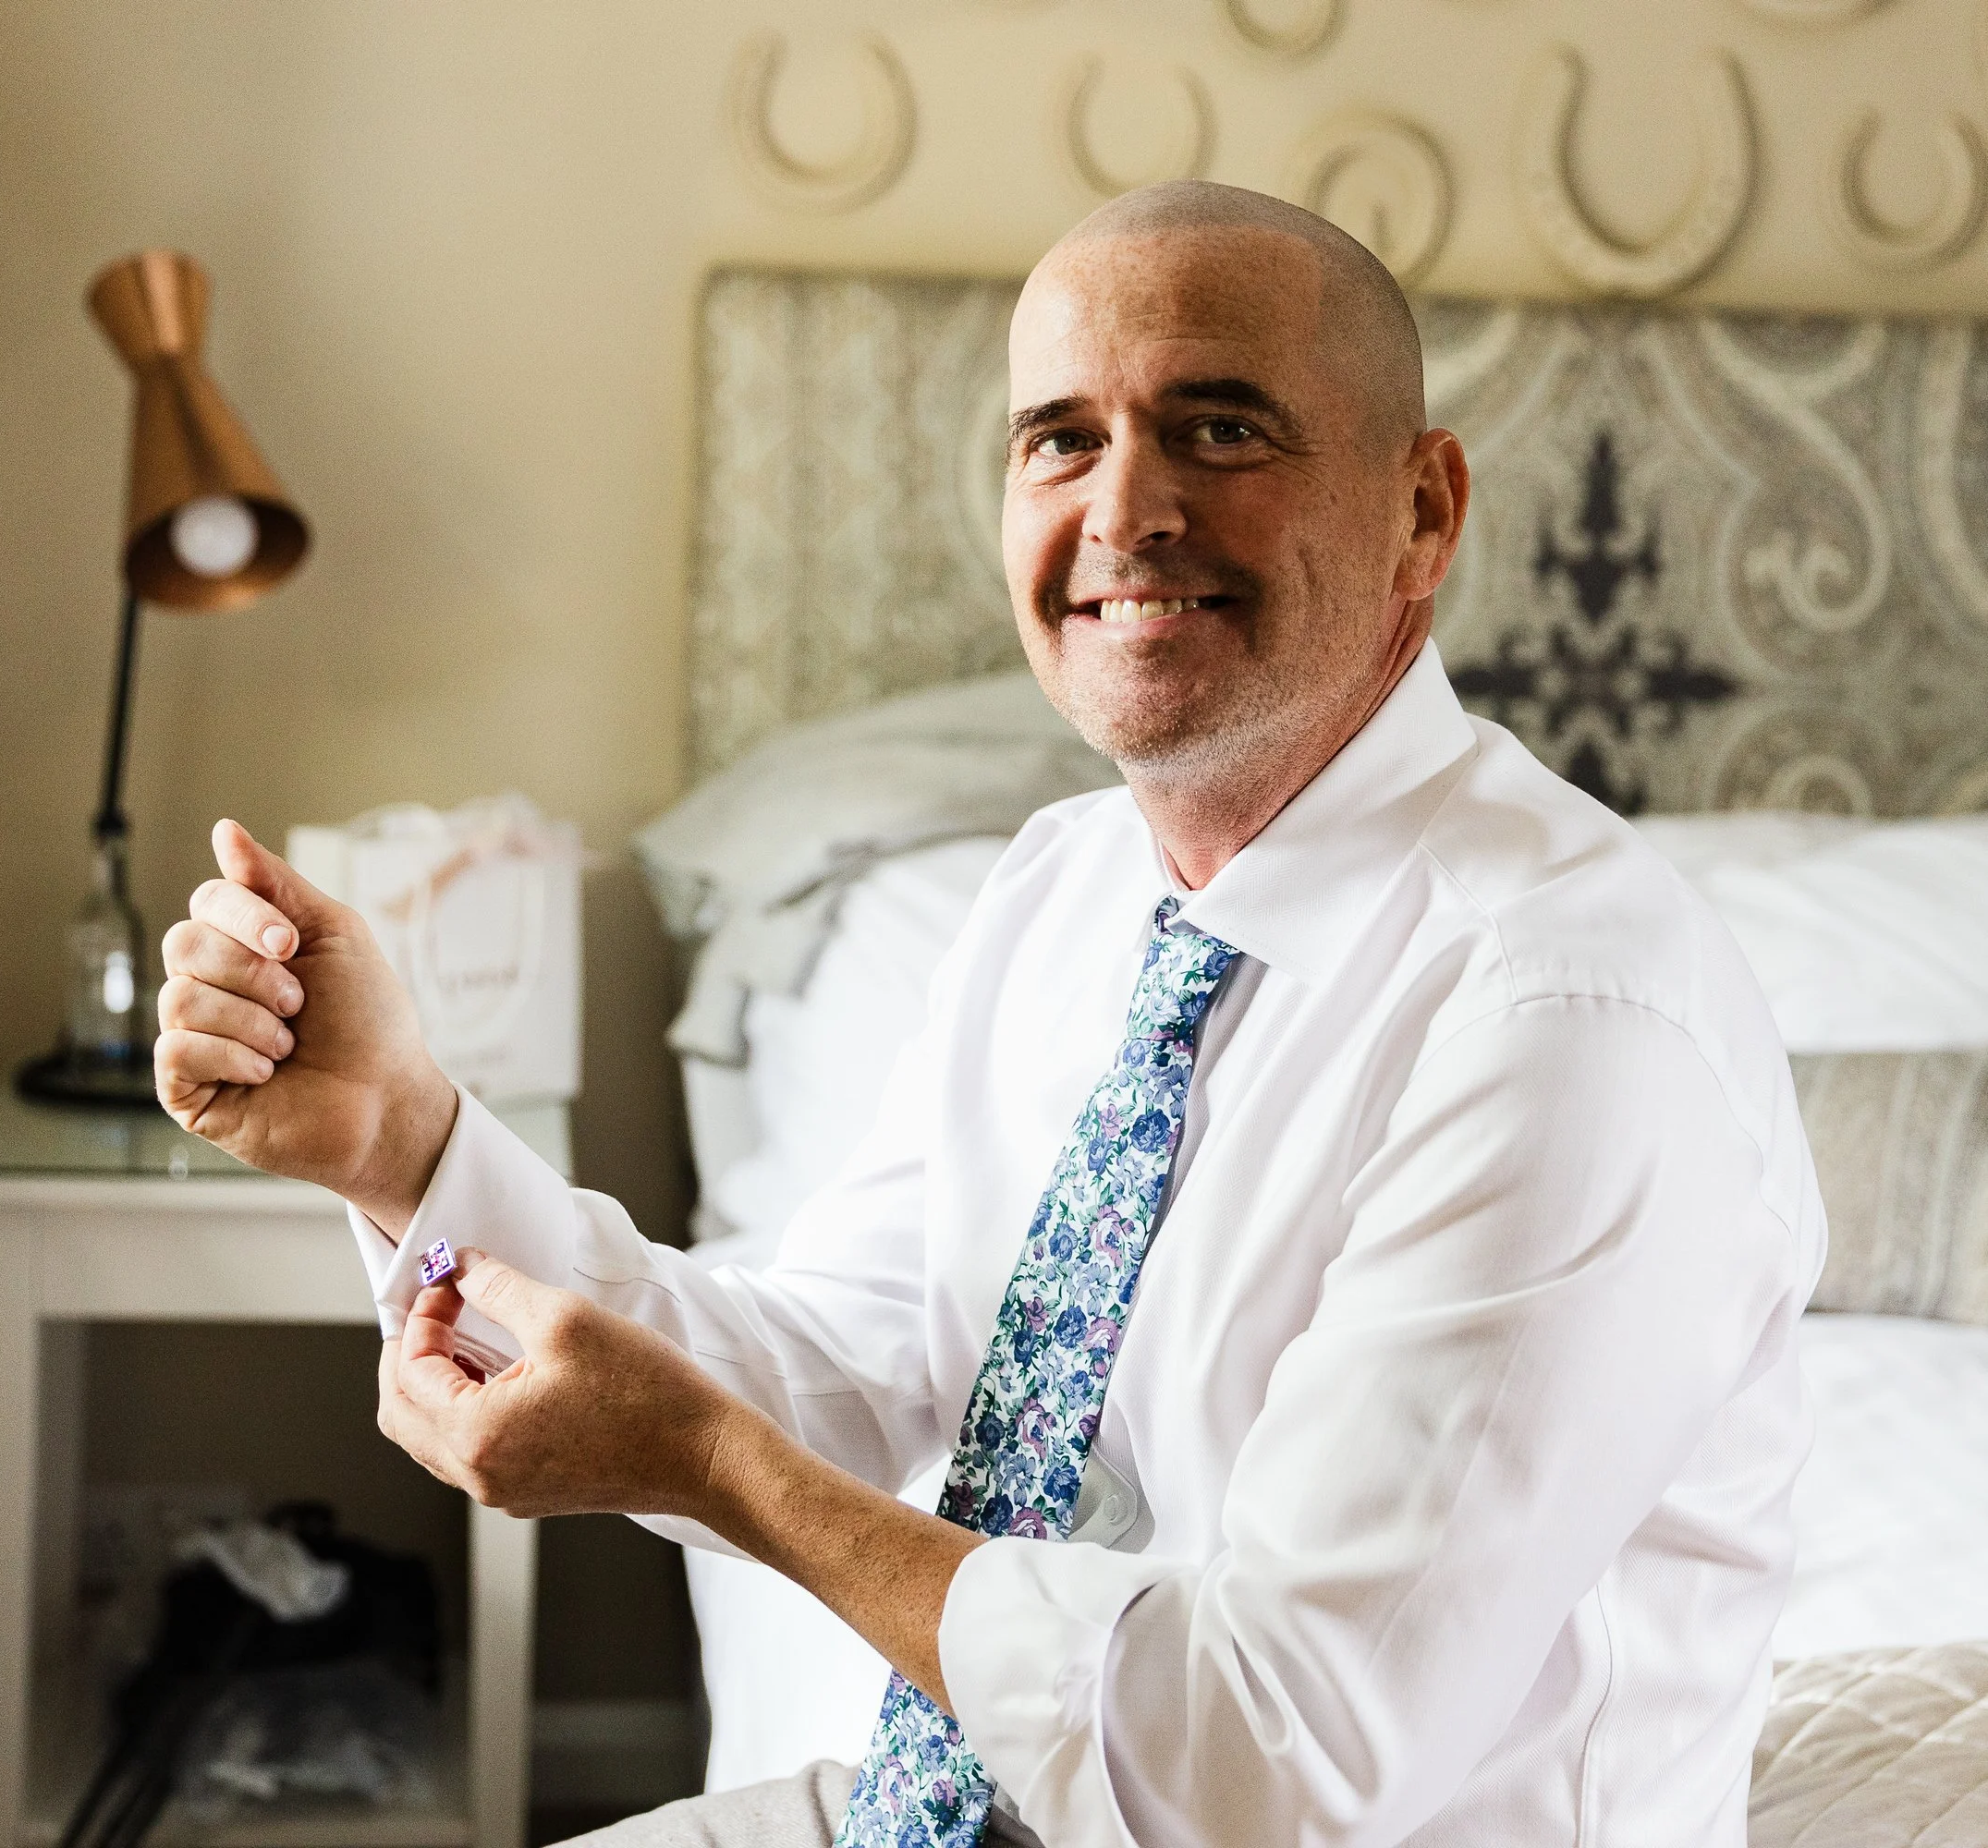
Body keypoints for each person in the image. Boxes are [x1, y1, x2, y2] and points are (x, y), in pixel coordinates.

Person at [152, 182, 1823, 1847]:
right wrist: (404, 1146)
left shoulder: (1564, 1014)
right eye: (1060, 439)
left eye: (1221, 428)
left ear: (1424, 512)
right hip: (973, 1801)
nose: (1127, 510)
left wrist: (718, 1472)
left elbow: (1264, 1768)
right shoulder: (1063, 894)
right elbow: (837, 1380)